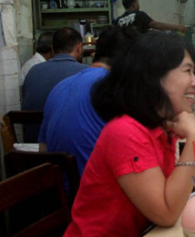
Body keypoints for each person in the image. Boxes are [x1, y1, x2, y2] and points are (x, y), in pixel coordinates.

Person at [59, 32, 195, 237]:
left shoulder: (159, 128)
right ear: (154, 77)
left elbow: (163, 194)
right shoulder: (125, 132)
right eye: (188, 71)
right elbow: (166, 214)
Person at [38, 26, 140, 177]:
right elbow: (137, 154)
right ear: (130, 61)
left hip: (59, 191)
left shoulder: (61, 86)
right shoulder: (114, 87)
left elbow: (43, 148)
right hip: (95, 190)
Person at [22, 27, 88, 142]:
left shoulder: (33, 70)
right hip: (66, 148)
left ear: (52, 48)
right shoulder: (85, 73)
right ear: (79, 47)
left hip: (32, 146)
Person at [115, 0, 188, 34]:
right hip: (138, 52)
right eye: (137, 3)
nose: (138, 5)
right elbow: (156, 25)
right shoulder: (139, 15)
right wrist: (178, 27)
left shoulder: (117, 21)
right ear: (134, 4)